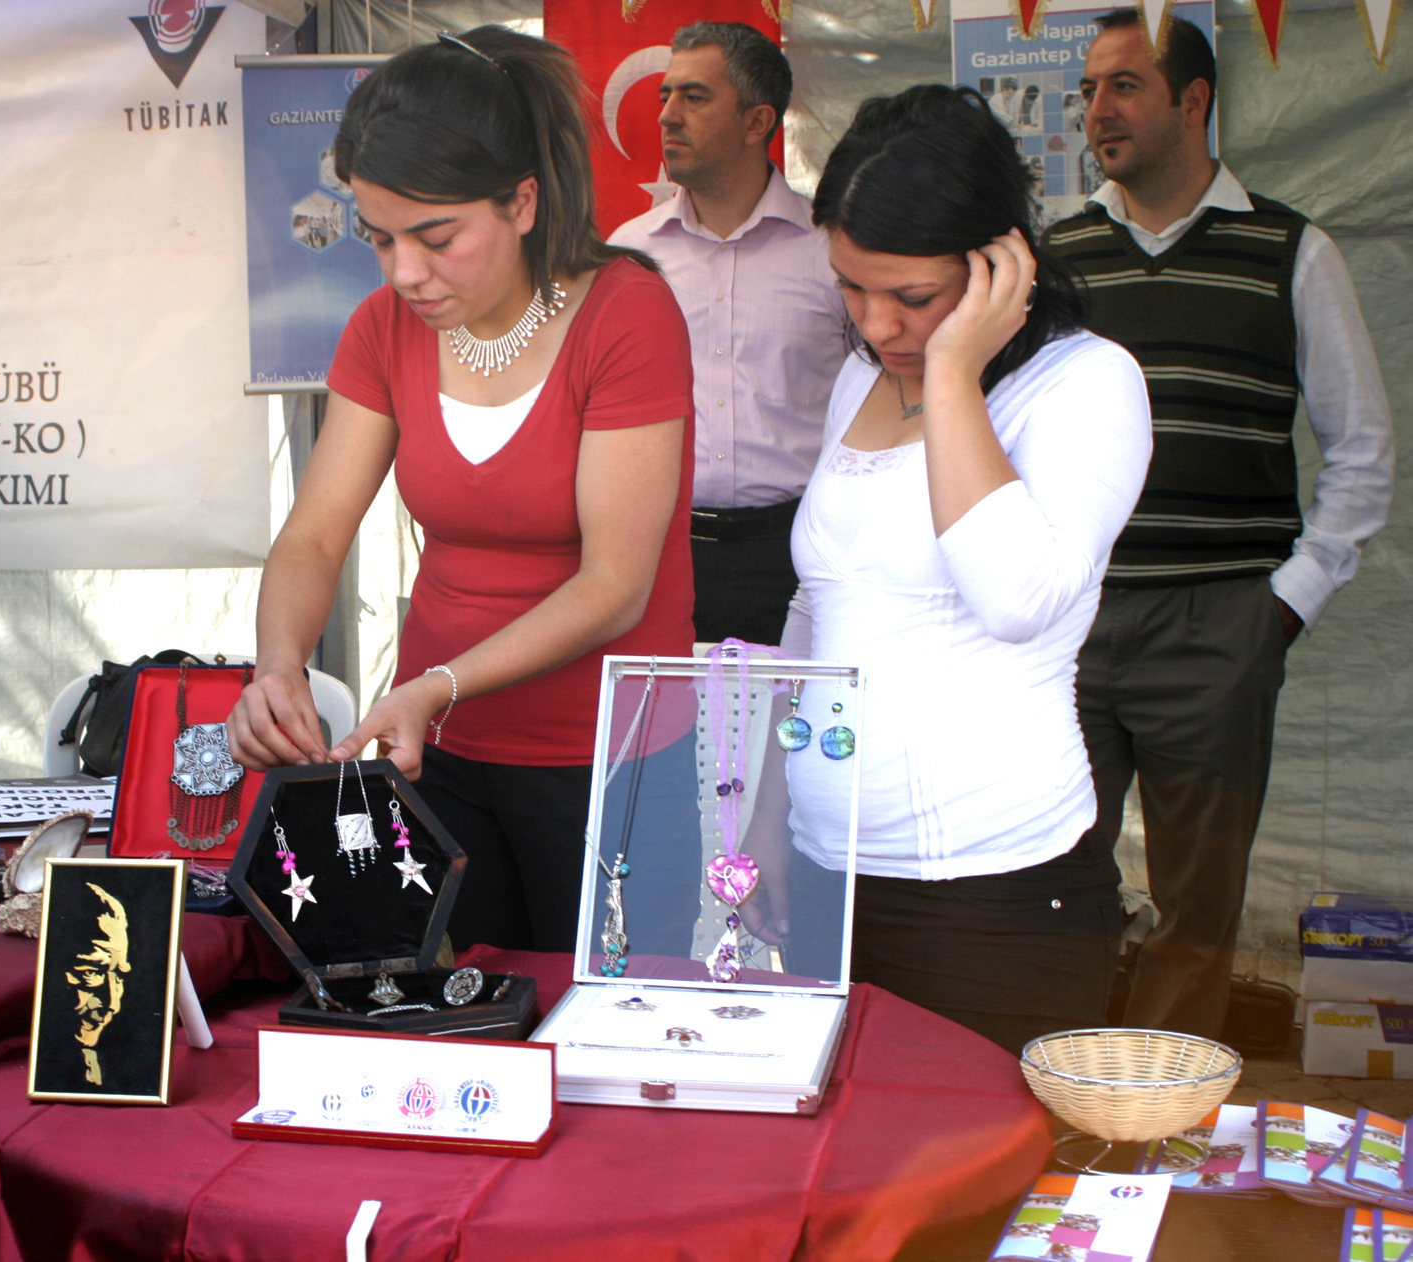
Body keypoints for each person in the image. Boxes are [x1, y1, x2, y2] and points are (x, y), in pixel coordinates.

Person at [227, 27, 696, 952]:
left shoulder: (626, 315)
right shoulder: (383, 328)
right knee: (470, 1004)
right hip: (439, 755)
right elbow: (314, 536)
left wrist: (436, 686)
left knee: (611, 1015)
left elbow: (615, 585)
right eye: (379, 239)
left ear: (522, 202)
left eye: (436, 238)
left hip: (611, 759)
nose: (406, 272)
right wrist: (278, 664)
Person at [778, 84, 1152, 1054]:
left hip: (991, 894)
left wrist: (952, 373)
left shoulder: (1084, 381)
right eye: (850, 288)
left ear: (999, 264)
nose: (877, 325)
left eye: (912, 298)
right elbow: (820, 602)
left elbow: (1017, 595)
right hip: (827, 873)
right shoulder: (861, 376)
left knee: (971, 1148)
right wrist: (769, 809)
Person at [1044, 11, 1394, 1039]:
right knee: (1051, 877)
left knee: (1196, 906)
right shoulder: (1055, 257)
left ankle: (1158, 1105)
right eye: (1089, 91)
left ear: (1193, 100)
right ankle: (1050, 1091)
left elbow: (1363, 447)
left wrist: (1281, 606)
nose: (1097, 111)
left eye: (1123, 86)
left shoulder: (1293, 251)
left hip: (1220, 625)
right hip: (1069, 621)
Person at [609, 22, 848, 645]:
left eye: (694, 97)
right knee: (661, 708)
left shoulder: (831, 251)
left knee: (800, 709)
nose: (666, 115)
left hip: (802, 551)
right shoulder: (628, 253)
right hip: (660, 549)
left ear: (757, 121)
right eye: (665, 95)